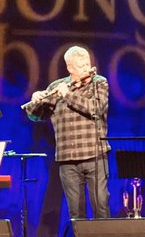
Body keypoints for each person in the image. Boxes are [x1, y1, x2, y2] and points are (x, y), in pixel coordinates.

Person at [24, 46, 110, 220]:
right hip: (67, 159)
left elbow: (95, 109)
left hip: (95, 155)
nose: (87, 68)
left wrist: (68, 95)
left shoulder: (99, 83)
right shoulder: (57, 87)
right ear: (70, 68)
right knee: (76, 212)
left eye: (87, 64)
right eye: (81, 66)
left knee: (101, 205)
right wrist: (35, 101)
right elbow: (36, 117)